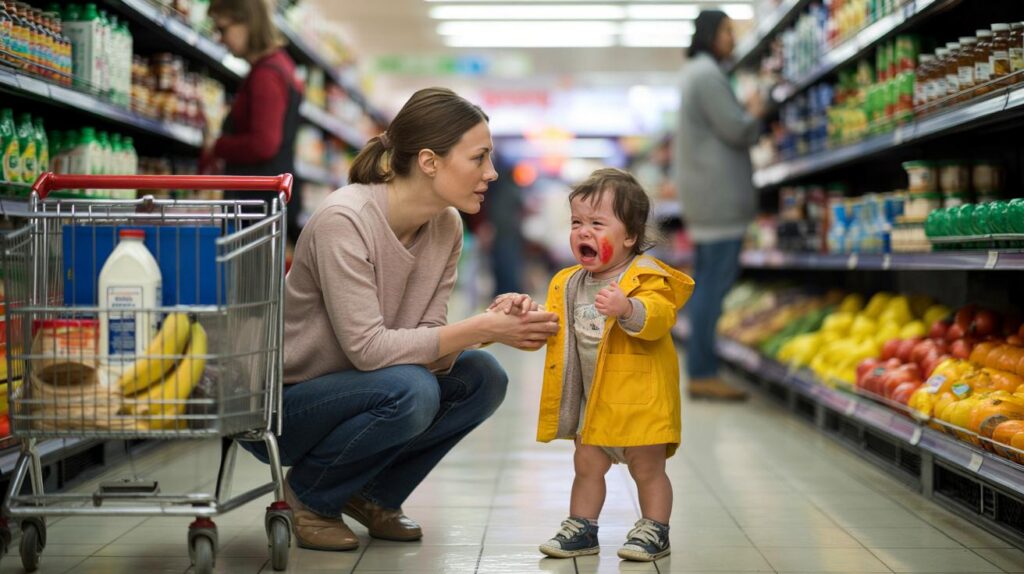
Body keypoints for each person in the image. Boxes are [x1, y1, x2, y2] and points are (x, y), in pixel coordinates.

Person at [240, 87, 561, 551]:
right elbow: (368, 350)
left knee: (483, 377)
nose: (491, 173)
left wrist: (489, 327)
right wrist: (479, 330)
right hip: (288, 406)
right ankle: (308, 498)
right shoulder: (345, 220)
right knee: (410, 389)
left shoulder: (446, 225)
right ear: (429, 161)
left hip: (365, 387)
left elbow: (425, 343)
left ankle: (371, 496)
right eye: (479, 159)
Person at [495, 169, 693, 562]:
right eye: (576, 223)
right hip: (593, 402)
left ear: (631, 236)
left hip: (641, 400)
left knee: (647, 470)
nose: (583, 232)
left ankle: (655, 527)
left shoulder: (646, 278)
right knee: (586, 465)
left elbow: (658, 319)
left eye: (597, 223)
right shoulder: (568, 283)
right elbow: (555, 329)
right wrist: (520, 313)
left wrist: (628, 308)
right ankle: (582, 527)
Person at [674, 10, 765, 400]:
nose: (732, 38)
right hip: (718, 201)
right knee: (713, 285)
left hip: (707, 199)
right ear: (711, 33)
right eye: (728, 30)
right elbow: (737, 128)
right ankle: (703, 372)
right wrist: (756, 109)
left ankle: (701, 369)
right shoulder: (707, 74)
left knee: (709, 282)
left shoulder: (697, 73)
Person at [205, 0, 304, 237]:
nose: (220, 38)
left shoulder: (266, 75)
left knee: (250, 274)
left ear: (247, 22)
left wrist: (216, 145)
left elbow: (263, 144)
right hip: (268, 202)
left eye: (222, 29)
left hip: (258, 205)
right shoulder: (280, 66)